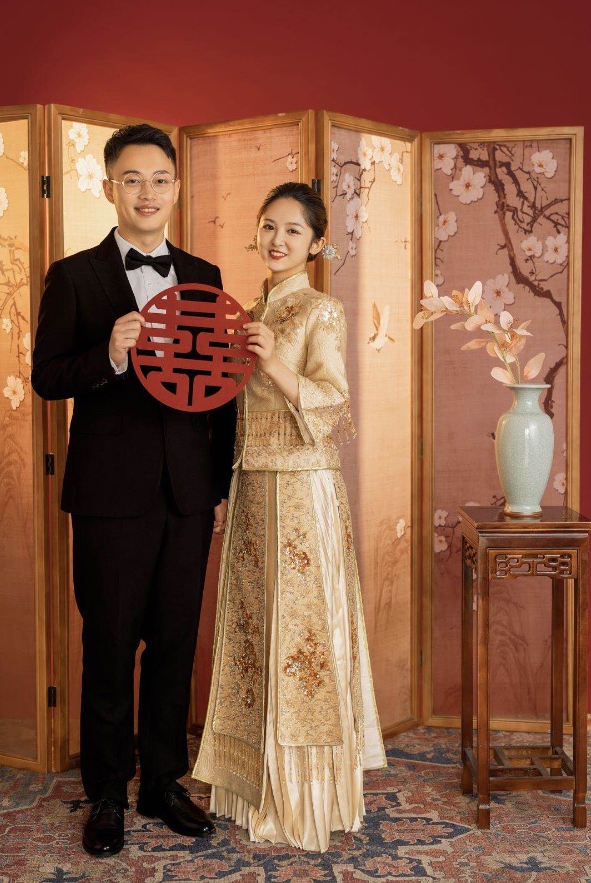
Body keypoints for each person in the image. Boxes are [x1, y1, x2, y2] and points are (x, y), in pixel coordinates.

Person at [32, 124, 236, 857]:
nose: (147, 193)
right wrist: (109, 354)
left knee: (176, 642)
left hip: (187, 494)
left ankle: (163, 783)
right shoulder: (74, 276)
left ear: (176, 186)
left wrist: (217, 485)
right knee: (112, 643)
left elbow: (224, 391)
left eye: (159, 179)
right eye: (132, 179)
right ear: (109, 186)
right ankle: (109, 793)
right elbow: (47, 377)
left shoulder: (205, 274)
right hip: (108, 495)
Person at [193, 182, 386, 852]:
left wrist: (272, 361)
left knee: (303, 639)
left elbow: (334, 404)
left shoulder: (321, 310)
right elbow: (228, 414)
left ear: (316, 244)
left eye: (294, 231)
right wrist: (222, 487)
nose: (278, 240)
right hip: (251, 492)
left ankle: (304, 796)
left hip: (304, 493)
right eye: (269, 226)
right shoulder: (244, 312)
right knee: (254, 634)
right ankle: (251, 786)